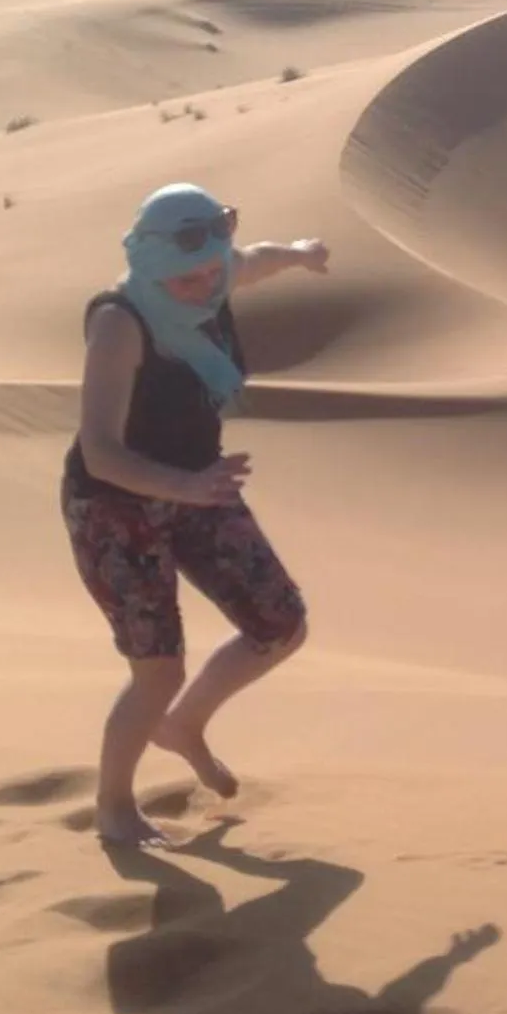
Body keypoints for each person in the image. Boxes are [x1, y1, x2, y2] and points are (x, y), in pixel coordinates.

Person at [64, 183, 329, 847]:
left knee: (281, 622)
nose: (207, 284)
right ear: (152, 261)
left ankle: (183, 726)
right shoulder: (121, 322)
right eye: (191, 274)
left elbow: (253, 259)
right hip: (115, 502)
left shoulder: (214, 274)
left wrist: (299, 254)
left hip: (197, 486)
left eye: (215, 268)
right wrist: (183, 484)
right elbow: (99, 451)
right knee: (158, 667)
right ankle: (114, 805)